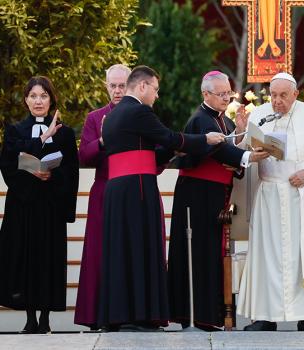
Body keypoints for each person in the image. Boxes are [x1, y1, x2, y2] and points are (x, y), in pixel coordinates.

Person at [96, 65, 225, 331]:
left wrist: (172, 155)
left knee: (121, 251)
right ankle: (140, 315)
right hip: (137, 188)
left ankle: (119, 314)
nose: (156, 96)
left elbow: (149, 151)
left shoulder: (113, 116)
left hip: (117, 189)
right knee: (140, 247)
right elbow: (169, 137)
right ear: (142, 86)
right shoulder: (139, 110)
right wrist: (206, 139)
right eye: (155, 90)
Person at [237, 72, 304, 331]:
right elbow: (243, 152)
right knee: (267, 257)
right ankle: (264, 317)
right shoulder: (260, 113)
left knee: (300, 258)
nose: (277, 101)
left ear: (295, 94)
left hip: (302, 196)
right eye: (273, 95)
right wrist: (241, 131)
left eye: (283, 95)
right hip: (269, 196)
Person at [167, 71, 268, 331]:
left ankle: (211, 315)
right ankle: (199, 316)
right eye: (221, 94)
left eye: (228, 93)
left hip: (215, 194)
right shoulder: (201, 119)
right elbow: (224, 152)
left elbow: (230, 156)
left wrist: (242, 133)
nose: (226, 98)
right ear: (206, 94)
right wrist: (250, 158)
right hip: (197, 194)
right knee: (199, 253)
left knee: (213, 253)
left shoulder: (223, 121)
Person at [0, 76, 79, 334]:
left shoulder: (65, 133)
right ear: (25, 100)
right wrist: (43, 140)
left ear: (51, 99)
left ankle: (45, 320)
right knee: (25, 259)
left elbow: (71, 170)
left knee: (48, 259)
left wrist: (51, 175)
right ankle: (29, 319)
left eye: (43, 96)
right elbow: (9, 163)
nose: (38, 101)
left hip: (50, 207)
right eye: (33, 96)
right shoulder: (14, 131)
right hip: (23, 206)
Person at [74, 64, 131, 330]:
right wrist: (103, 140)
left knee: (129, 252)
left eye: (122, 85)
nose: (118, 91)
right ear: (106, 86)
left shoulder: (141, 115)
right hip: (103, 192)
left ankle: (131, 315)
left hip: (132, 192)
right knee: (99, 253)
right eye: (113, 86)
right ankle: (99, 316)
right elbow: (84, 156)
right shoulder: (95, 118)